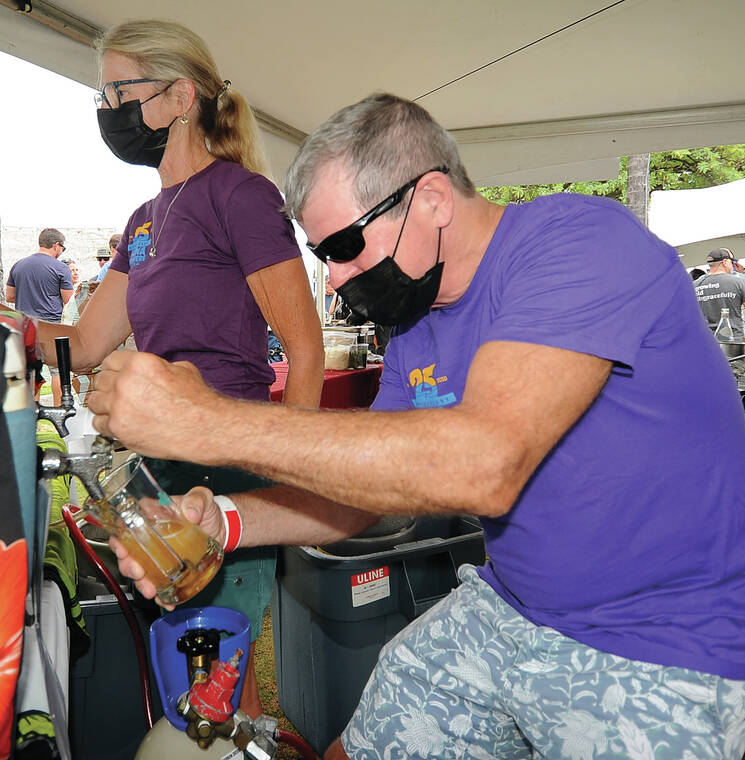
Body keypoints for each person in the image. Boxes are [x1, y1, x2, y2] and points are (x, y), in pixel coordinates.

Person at [90, 93, 745, 759]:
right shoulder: (416, 322)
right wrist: (226, 520)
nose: (336, 278)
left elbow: (483, 464)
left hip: (668, 638)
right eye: (322, 254)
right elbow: (369, 495)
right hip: (512, 606)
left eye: (345, 246)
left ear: (431, 198)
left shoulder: (581, 240)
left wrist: (208, 422)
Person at [34, 18, 324, 718]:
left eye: (120, 91)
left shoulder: (240, 195)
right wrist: (15, 327)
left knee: (219, 676)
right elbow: (83, 343)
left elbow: (306, 346)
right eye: (102, 96)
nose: (108, 110)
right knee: (190, 673)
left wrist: (289, 475)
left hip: (227, 465)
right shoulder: (143, 219)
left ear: (180, 96)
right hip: (157, 470)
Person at [6, 228, 73, 405]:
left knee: (30, 372)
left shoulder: (18, 265)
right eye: (62, 248)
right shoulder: (61, 268)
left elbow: (10, 296)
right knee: (57, 371)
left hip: (25, 327)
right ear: (56, 245)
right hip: (52, 327)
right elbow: (69, 300)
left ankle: (32, 412)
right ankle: (60, 410)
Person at [694, 247, 745, 338]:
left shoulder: (694, 286)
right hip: (734, 341)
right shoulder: (739, 282)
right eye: (732, 262)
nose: (733, 266)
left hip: (703, 340)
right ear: (725, 262)